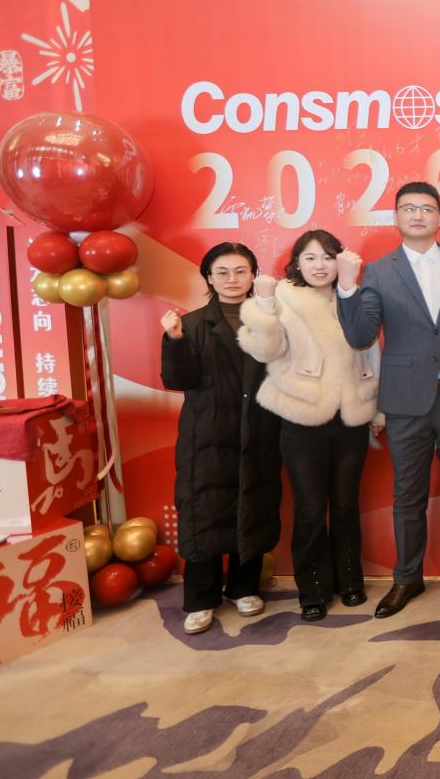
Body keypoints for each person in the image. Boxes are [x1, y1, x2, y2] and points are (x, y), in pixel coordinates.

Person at [335, 182, 440, 619]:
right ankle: (407, 577)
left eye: (427, 208)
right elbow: (361, 335)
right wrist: (347, 288)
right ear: (396, 218)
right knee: (408, 494)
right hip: (406, 398)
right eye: (409, 208)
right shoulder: (378, 271)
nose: (419, 215)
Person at [238, 230, 383, 622]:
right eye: (311, 258)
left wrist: (377, 409)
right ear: (297, 263)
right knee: (310, 508)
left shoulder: (354, 296)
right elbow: (264, 351)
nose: (320, 266)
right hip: (302, 416)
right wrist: (263, 305)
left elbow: (371, 351)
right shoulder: (283, 298)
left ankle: (349, 581)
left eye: (328, 257)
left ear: (341, 261)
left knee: (346, 503)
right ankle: (313, 589)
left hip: (350, 415)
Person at [160, 243, 282, 635]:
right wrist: (175, 340)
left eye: (241, 271)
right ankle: (201, 598)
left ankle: (244, 588)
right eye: (222, 272)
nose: (232, 279)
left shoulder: (269, 321)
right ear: (209, 278)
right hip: (208, 434)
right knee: (204, 510)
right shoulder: (192, 323)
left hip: (259, 428)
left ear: (253, 275)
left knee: (253, 502)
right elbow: (178, 380)